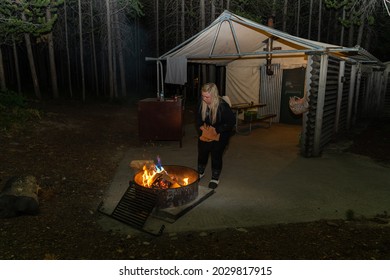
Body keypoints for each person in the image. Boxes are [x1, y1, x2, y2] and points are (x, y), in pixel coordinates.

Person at [197, 82, 235, 189]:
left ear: (213, 95)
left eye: (207, 97)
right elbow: (198, 118)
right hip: (206, 132)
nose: (204, 99)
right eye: (203, 96)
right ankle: (200, 172)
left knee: (216, 155)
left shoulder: (223, 106)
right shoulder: (202, 102)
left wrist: (217, 130)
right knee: (202, 152)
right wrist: (201, 127)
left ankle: (215, 177)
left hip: (221, 134)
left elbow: (231, 122)